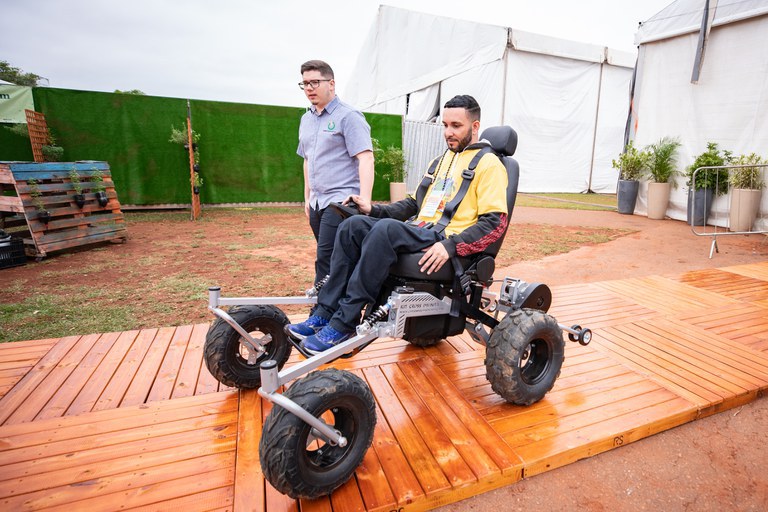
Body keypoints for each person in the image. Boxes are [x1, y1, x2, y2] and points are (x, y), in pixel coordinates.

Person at [287, 94, 509, 354]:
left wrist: (451, 247)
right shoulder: (441, 162)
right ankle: (326, 312)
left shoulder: (489, 165)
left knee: (385, 230)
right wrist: (373, 209)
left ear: (474, 127)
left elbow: (495, 223)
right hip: (420, 231)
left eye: (456, 126)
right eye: (445, 125)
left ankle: (345, 323)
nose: (448, 132)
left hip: (445, 238)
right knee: (353, 225)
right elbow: (415, 205)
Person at [297, 60, 374, 296]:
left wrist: (366, 201)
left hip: (340, 201)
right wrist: (307, 197)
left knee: (326, 260)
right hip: (317, 202)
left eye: (314, 82)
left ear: (331, 83)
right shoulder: (306, 119)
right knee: (335, 259)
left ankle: (321, 314)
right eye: (304, 83)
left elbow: (366, 158)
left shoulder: (348, 117)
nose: (309, 88)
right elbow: (307, 159)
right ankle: (340, 304)